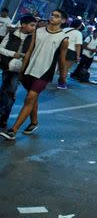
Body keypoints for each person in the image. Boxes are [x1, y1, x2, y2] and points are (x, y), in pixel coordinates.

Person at [1, 9, 69, 140]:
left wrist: (62, 76)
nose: (52, 17)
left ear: (63, 21)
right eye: (52, 14)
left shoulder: (64, 38)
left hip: (45, 72)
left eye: (56, 16)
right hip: (29, 69)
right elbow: (29, 51)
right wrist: (22, 69)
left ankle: (13, 131)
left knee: (29, 98)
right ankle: (34, 122)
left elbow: (62, 59)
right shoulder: (38, 31)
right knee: (33, 98)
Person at [0, 15, 36, 129]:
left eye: (35, 25)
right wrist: (12, 54)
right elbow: (0, 48)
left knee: (11, 93)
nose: (34, 28)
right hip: (7, 67)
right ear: (23, 25)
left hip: (20, 70)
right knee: (3, 91)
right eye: (32, 25)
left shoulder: (33, 39)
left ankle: (4, 118)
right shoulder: (11, 34)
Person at [60, 19, 83, 89]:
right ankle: (62, 84)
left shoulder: (64, 29)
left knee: (61, 67)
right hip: (71, 52)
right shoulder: (78, 33)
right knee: (65, 69)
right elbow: (78, 45)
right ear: (79, 26)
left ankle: (60, 81)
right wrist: (78, 56)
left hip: (61, 49)